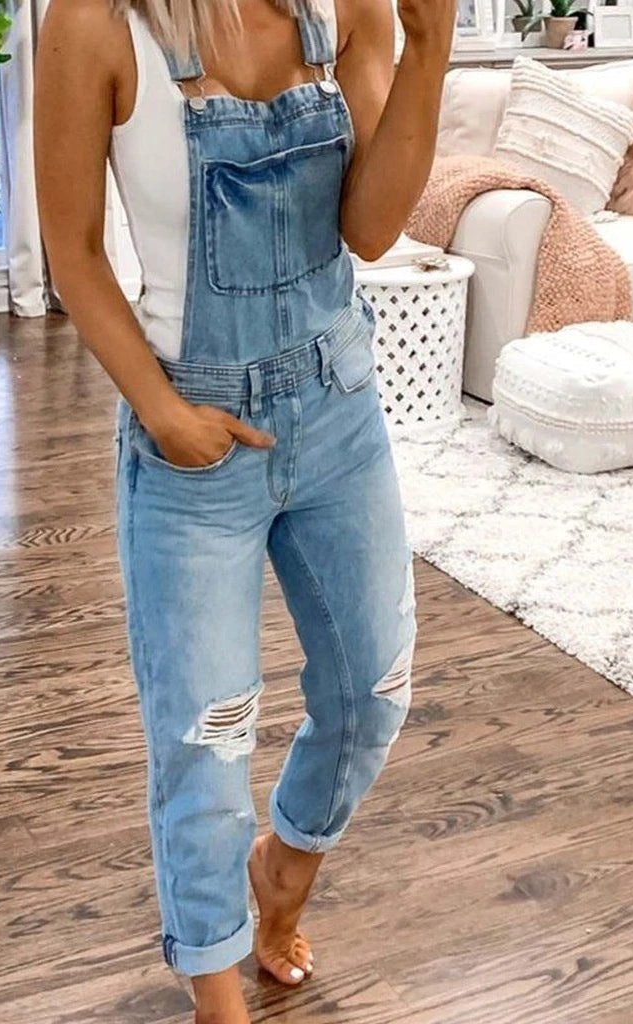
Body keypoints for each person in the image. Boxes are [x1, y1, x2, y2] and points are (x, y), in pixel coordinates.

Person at [34, 0, 454, 1019]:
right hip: (194, 439)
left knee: (373, 692)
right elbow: (73, 251)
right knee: (205, 742)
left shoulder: (345, 8)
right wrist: (162, 410)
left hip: (339, 406)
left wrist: (431, 47)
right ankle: (217, 999)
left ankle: (284, 870)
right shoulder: (93, 24)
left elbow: (370, 229)